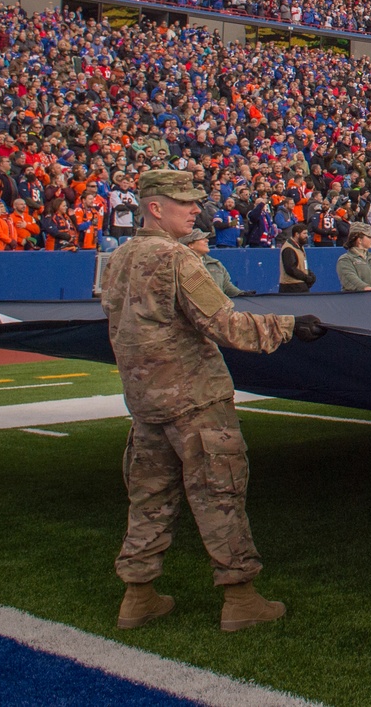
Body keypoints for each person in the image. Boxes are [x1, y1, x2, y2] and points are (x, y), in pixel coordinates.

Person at [102, 167, 327, 633]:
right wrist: (288, 326)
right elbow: (224, 323)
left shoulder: (120, 257)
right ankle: (240, 599)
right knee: (220, 497)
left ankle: (137, 597)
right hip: (195, 400)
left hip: (146, 404)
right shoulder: (177, 258)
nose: (195, 210)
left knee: (148, 500)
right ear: (154, 208)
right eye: (183, 202)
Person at [183, 229, 253, 298]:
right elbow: (186, 291)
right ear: (191, 245)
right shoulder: (182, 265)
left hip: (218, 307)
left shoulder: (215, 264)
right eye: (202, 238)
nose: (207, 240)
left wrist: (240, 293)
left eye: (206, 238)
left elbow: (226, 285)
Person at [278, 222, 315, 294]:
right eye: (304, 233)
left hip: (300, 284)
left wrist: (310, 275)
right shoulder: (289, 248)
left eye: (307, 233)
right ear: (297, 234)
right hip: (291, 286)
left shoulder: (299, 246)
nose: (306, 236)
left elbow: (302, 265)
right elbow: (290, 269)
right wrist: (306, 278)